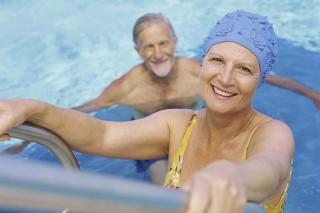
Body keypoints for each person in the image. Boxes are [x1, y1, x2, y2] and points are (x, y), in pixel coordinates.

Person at [0, 10, 294, 213]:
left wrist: (233, 177)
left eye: (244, 68)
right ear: (203, 62)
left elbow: (270, 168)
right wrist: (30, 108)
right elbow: (101, 134)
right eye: (217, 60)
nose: (226, 78)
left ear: (260, 78)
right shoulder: (178, 124)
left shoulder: (272, 133)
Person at [71, 13, 315, 185]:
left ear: (175, 43)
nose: (158, 54)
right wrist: (46, 116)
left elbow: (266, 75)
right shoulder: (126, 87)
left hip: (196, 134)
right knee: (165, 188)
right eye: (148, 47)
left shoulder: (198, 70)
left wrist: (309, 92)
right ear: (137, 51)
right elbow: (89, 110)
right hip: (151, 143)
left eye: (163, 44)